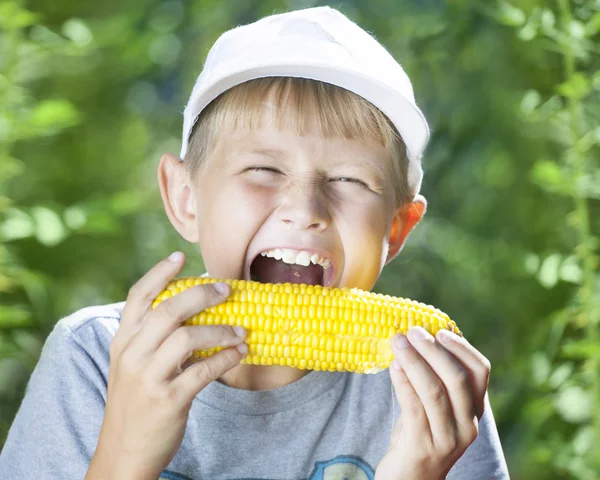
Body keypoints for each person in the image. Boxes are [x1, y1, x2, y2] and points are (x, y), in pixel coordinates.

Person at [0, 6, 509, 479]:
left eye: (350, 181)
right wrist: (123, 455)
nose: (306, 211)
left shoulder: (435, 394)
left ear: (394, 230)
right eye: (263, 169)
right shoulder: (95, 361)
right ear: (185, 198)